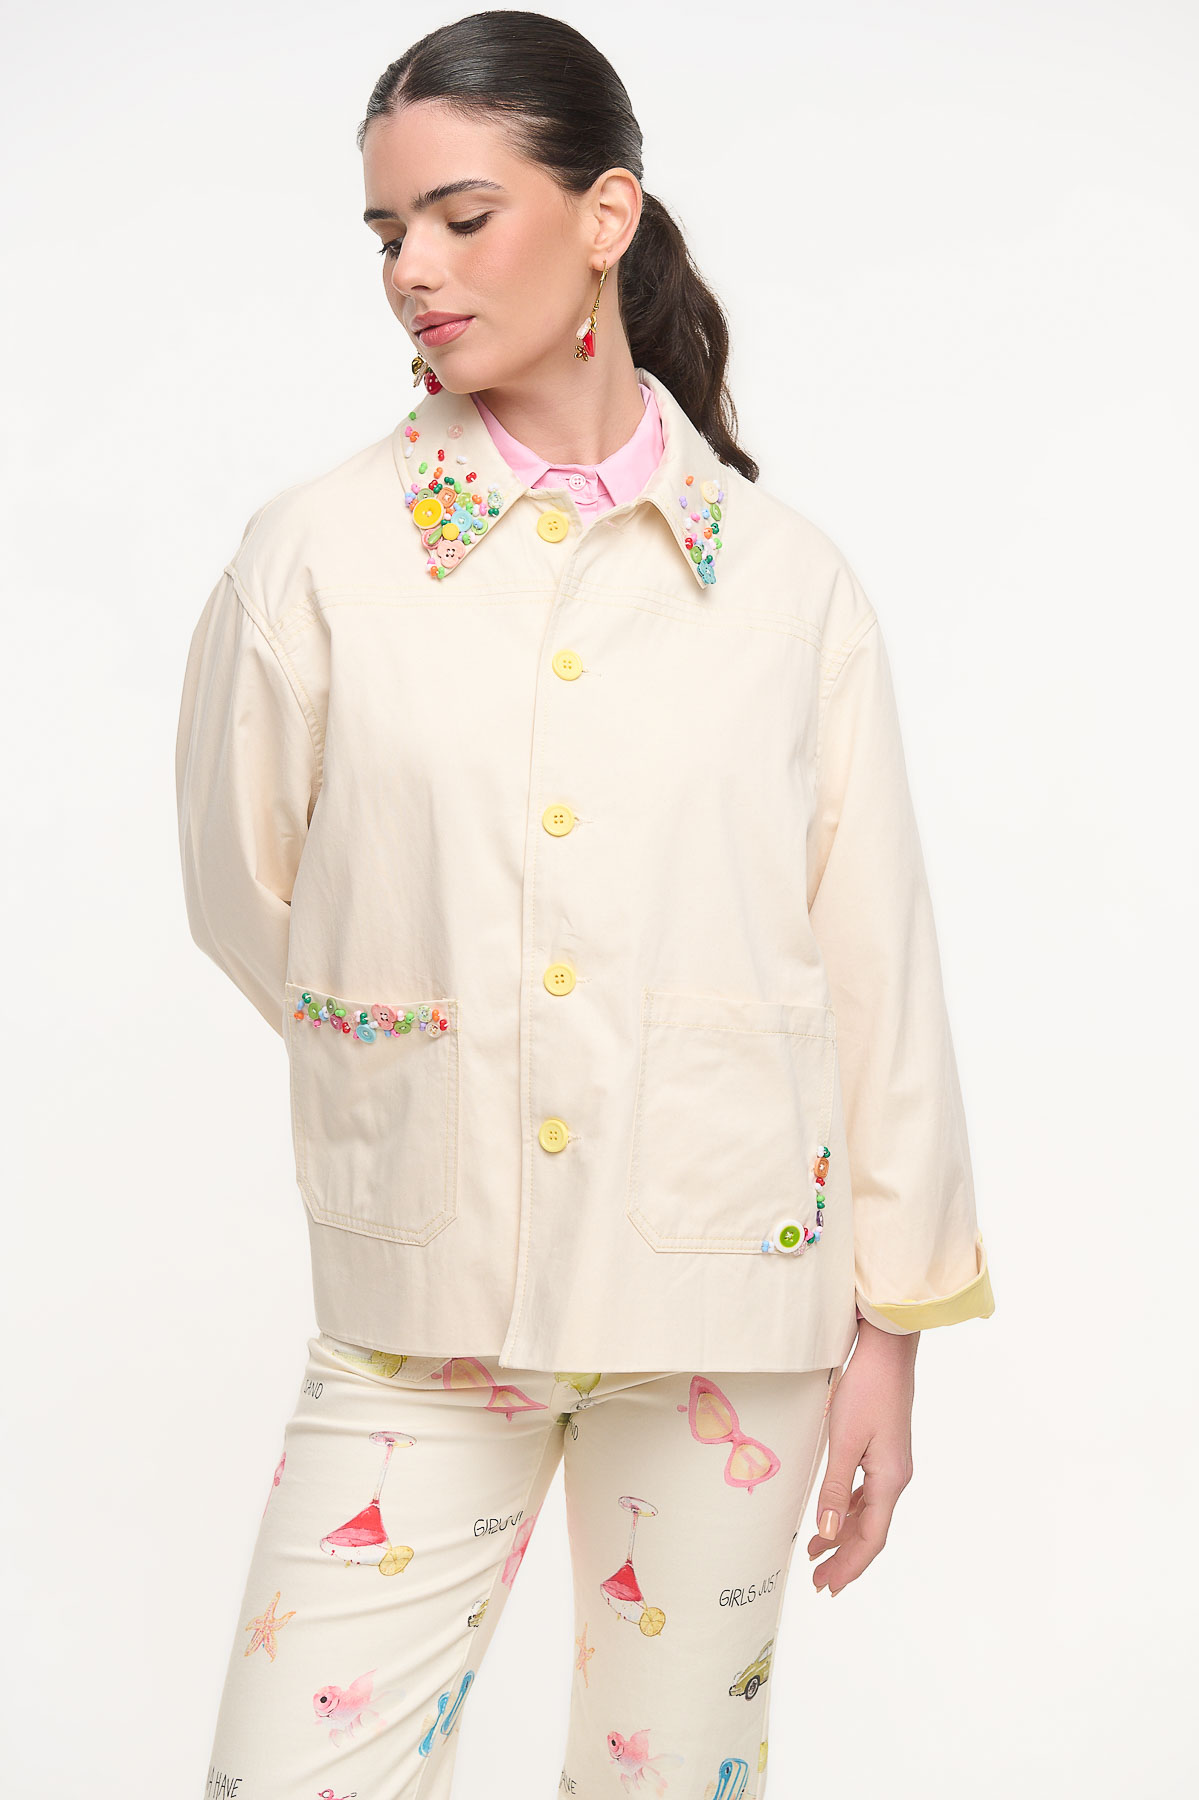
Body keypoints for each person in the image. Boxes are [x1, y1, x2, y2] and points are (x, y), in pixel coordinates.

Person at [176, 13, 995, 1798]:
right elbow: (252, 899)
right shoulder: (315, 559)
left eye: (462, 217)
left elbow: (876, 966)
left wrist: (893, 1330)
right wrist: (419, 1058)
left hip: (732, 1297)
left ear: (606, 214)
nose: (414, 269)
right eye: (388, 232)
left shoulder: (787, 590)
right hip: (427, 1293)